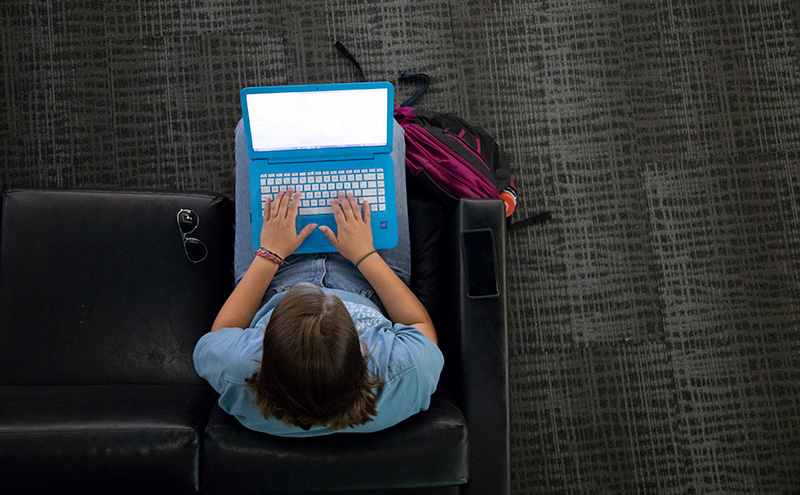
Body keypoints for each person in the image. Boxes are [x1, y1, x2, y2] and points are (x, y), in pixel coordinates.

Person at [192, 120, 444, 436]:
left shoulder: (239, 371)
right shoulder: (403, 373)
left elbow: (224, 331)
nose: (320, 290)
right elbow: (419, 325)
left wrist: (271, 253)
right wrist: (364, 255)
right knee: (387, 130)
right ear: (362, 355)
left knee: (250, 130)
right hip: (368, 278)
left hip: (274, 273)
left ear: (264, 357)